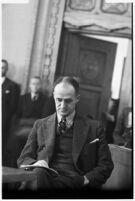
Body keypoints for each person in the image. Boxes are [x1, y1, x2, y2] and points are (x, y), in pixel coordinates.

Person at [17, 76, 114, 196]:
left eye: (68, 101)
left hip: (76, 181)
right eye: (59, 100)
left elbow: (106, 165)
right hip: (45, 177)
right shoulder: (40, 124)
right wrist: (34, 164)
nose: (62, 106)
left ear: (77, 98)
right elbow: (23, 158)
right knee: (39, 173)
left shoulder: (94, 127)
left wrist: (85, 179)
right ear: (53, 96)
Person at [3, 76, 47, 167]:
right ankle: (12, 170)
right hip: (21, 129)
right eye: (33, 84)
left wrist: (28, 122)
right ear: (30, 85)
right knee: (13, 144)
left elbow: (43, 118)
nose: (35, 86)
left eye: (37, 84)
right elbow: (17, 115)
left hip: (35, 131)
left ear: (40, 86)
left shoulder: (45, 100)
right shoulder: (23, 98)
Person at [2, 59, 20, 153]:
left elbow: (13, 107)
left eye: (3, 68)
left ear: (6, 69)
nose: (1, 70)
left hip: (3, 121)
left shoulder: (12, 86)